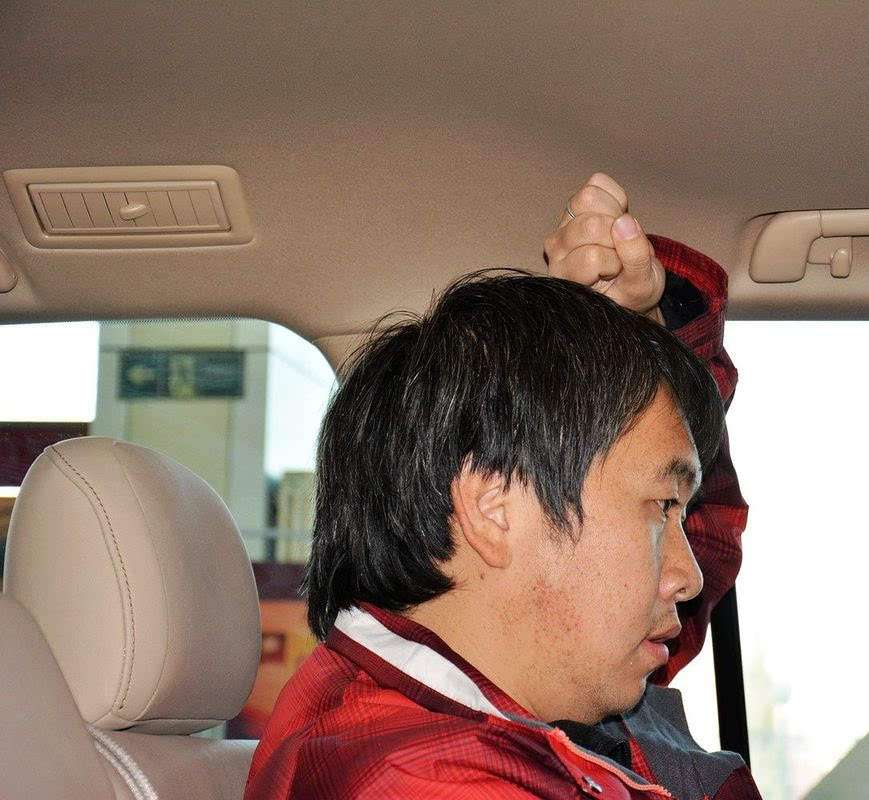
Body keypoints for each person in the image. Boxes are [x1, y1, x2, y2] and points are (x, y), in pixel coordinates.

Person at [245, 174, 757, 799]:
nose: (689, 575)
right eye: (662, 507)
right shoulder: (432, 783)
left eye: (677, 510)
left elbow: (699, 533)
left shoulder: (521, 688)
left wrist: (641, 336)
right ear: (494, 509)